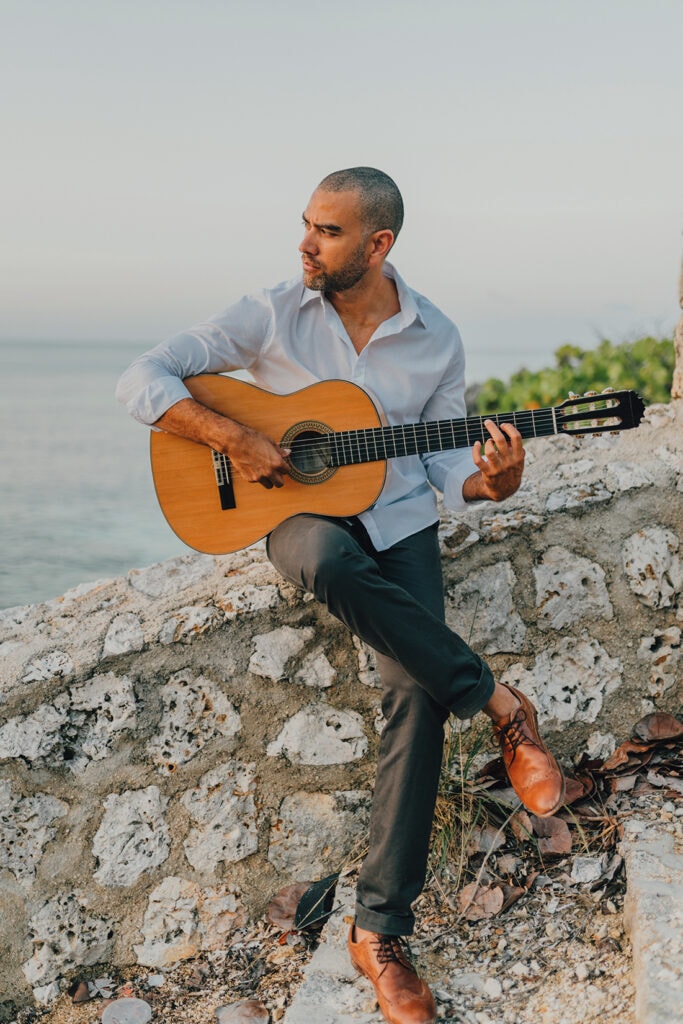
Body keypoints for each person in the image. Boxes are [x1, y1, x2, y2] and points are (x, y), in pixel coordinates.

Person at [117, 167, 565, 1024]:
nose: (304, 243)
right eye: (306, 224)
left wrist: (495, 482)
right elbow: (143, 377)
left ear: (377, 244)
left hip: (397, 524)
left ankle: (378, 935)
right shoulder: (273, 308)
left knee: (412, 690)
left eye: (325, 231)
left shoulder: (436, 337)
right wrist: (233, 437)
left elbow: (443, 469)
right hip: (299, 518)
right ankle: (502, 703)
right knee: (320, 551)